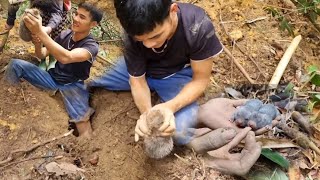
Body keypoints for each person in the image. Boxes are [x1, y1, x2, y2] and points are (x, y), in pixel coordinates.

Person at [88, 0, 261, 175]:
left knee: (179, 127)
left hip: (173, 76)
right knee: (83, 75)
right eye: (140, 40)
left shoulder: (197, 26)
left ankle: (198, 145)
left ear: (173, 10)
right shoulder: (132, 29)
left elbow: (200, 80)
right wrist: (148, 115)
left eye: (155, 36)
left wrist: (169, 107)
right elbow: (137, 81)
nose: (148, 44)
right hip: (133, 71)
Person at [4, 2, 103, 138]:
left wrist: (40, 31)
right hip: (52, 78)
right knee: (15, 65)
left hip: (72, 86)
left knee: (83, 126)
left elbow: (66, 57)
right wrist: (38, 43)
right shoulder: (65, 35)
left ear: (93, 24)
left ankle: (90, 151)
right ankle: (8, 104)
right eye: (75, 14)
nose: (75, 18)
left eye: (82, 17)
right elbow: (42, 54)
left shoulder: (91, 46)